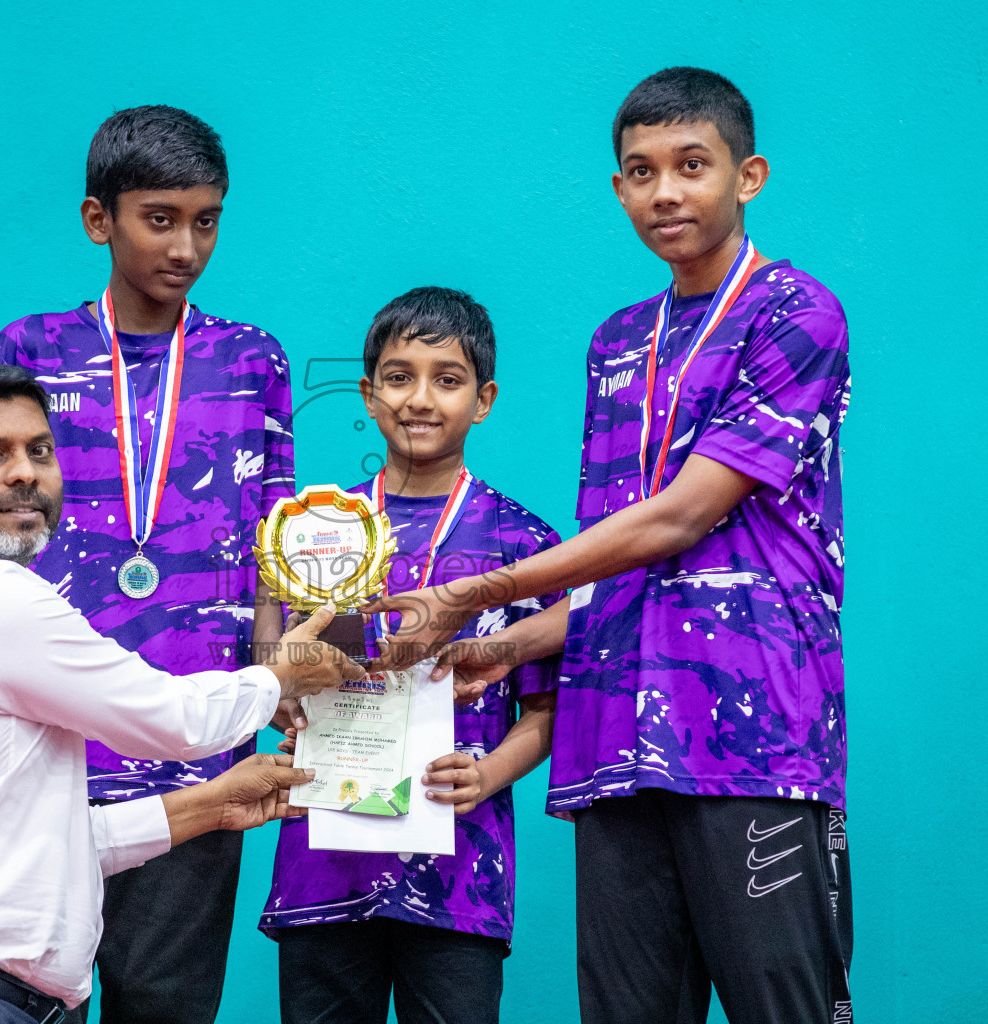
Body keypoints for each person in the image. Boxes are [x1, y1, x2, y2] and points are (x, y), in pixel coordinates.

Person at [366, 69, 854, 1022]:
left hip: (752, 735)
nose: (665, 191)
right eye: (640, 171)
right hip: (613, 737)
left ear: (746, 175)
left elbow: (679, 518)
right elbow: (621, 566)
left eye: (691, 165)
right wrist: (503, 646)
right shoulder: (617, 342)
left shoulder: (798, 314)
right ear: (619, 187)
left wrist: (477, 594)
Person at [0, 365, 361, 1024]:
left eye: (39, 451)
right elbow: (175, 721)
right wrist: (280, 676)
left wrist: (212, 806)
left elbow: (44, 847)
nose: (25, 473)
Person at [0, 106, 294, 1024]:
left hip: (198, 752)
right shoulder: (28, 352)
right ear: (99, 220)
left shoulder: (253, 359)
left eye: (206, 220)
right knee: (38, 999)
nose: (187, 246)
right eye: (160, 218)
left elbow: (276, 530)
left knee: (167, 1004)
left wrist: (275, 672)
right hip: (53, 749)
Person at [260, 288, 565, 1024]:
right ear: (368, 394)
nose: (419, 398)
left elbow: (547, 708)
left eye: (447, 379)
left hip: (460, 871)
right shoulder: (316, 530)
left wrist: (489, 772)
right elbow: (278, 660)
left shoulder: (523, 545)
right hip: (322, 860)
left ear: (483, 399)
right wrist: (283, 697)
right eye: (398, 377)